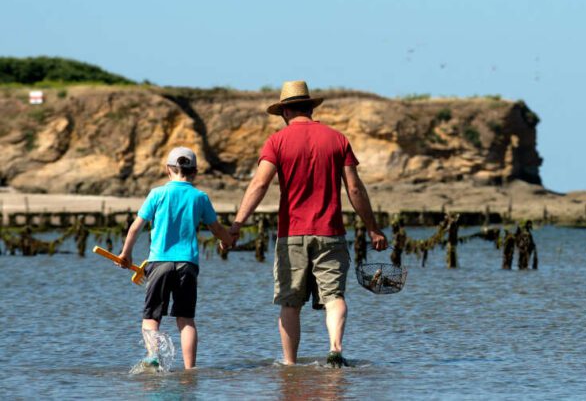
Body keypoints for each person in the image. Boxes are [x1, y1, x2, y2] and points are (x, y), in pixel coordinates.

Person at [230, 80, 387, 368]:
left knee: (290, 303)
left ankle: (289, 366)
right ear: (310, 108)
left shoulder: (276, 142)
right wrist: (374, 228)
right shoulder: (337, 139)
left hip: (291, 236)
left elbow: (259, 184)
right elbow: (355, 189)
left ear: (285, 112)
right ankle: (335, 350)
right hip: (330, 232)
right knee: (334, 296)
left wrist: (238, 224)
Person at [118, 147, 235, 369]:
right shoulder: (200, 197)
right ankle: (190, 369)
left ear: (167, 170)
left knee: (152, 317)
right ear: (195, 172)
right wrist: (227, 240)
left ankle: (153, 357)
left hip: (159, 262)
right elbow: (216, 228)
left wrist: (126, 253)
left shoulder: (157, 194)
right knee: (186, 319)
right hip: (187, 264)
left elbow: (135, 227)